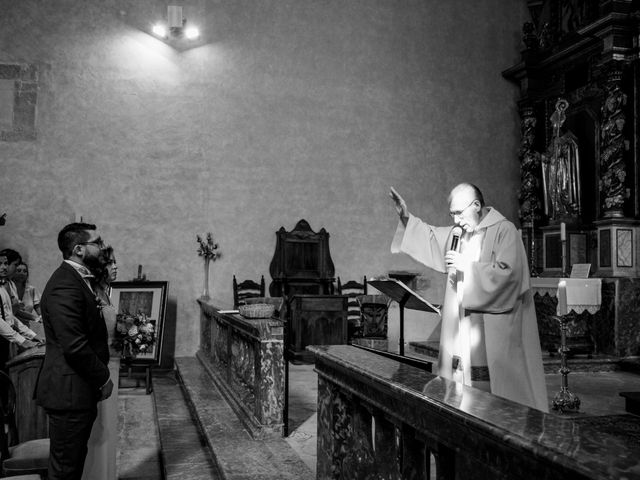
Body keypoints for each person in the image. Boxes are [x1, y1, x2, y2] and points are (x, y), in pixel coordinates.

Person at [389, 183, 548, 412]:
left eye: (459, 213)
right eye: (452, 214)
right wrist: (406, 217)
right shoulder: (459, 233)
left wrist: (467, 266)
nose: (455, 220)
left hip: (492, 328)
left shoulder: (504, 230)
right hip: (462, 329)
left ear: (476, 205)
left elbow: (509, 275)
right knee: (461, 392)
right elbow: (432, 237)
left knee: (495, 399)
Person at [35, 222, 114, 480]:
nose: (102, 248)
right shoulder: (64, 285)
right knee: (65, 472)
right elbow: (75, 346)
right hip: (69, 392)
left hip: (76, 390)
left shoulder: (77, 279)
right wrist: (102, 377)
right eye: (97, 243)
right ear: (79, 249)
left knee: (72, 468)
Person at [82, 245, 119, 480]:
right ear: (99, 268)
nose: (115, 266)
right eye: (111, 263)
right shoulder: (92, 293)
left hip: (112, 361)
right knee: (98, 429)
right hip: (99, 366)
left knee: (109, 427)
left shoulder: (106, 291)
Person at [0, 255, 41, 371]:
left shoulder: (3, 287)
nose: (4, 267)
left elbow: (9, 317)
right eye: (0, 264)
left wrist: (32, 335)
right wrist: (22, 341)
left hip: (8, 338)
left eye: (6, 263)